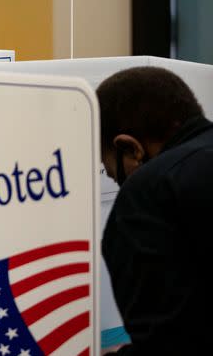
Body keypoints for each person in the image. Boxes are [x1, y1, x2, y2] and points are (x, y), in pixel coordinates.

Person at [96, 66, 213, 355]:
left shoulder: (148, 193)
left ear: (130, 148)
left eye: (114, 175)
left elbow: (165, 345)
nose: (118, 184)